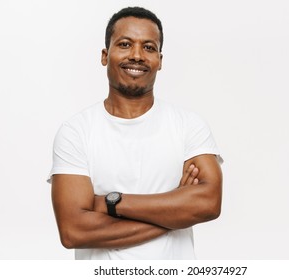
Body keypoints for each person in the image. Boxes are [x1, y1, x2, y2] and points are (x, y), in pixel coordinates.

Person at [48, 6, 223, 260]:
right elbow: (73, 231)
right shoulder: (75, 132)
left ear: (160, 60)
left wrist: (110, 203)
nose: (137, 55)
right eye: (125, 44)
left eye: (149, 47)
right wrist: (175, 210)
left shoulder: (189, 125)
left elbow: (208, 204)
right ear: (105, 55)